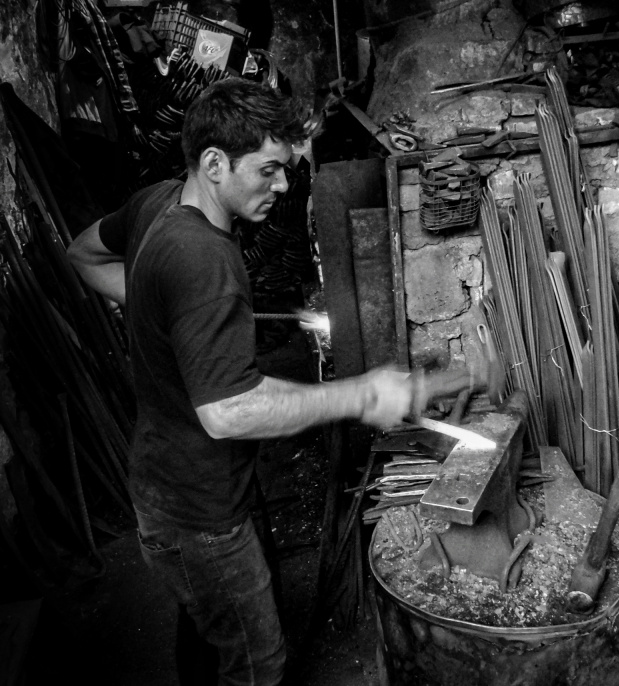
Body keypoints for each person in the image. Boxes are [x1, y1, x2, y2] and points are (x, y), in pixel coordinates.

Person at [67, 79, 422, 686]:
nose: (283, 187)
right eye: (269, 171)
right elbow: (229, 410)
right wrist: (362, 393)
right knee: (258, 664)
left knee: (211, 634)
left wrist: (163, 313)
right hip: (201, 513)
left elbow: (82, 254)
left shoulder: (158, 200)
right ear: (214, 164)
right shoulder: (204, 258)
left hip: (167, 486)